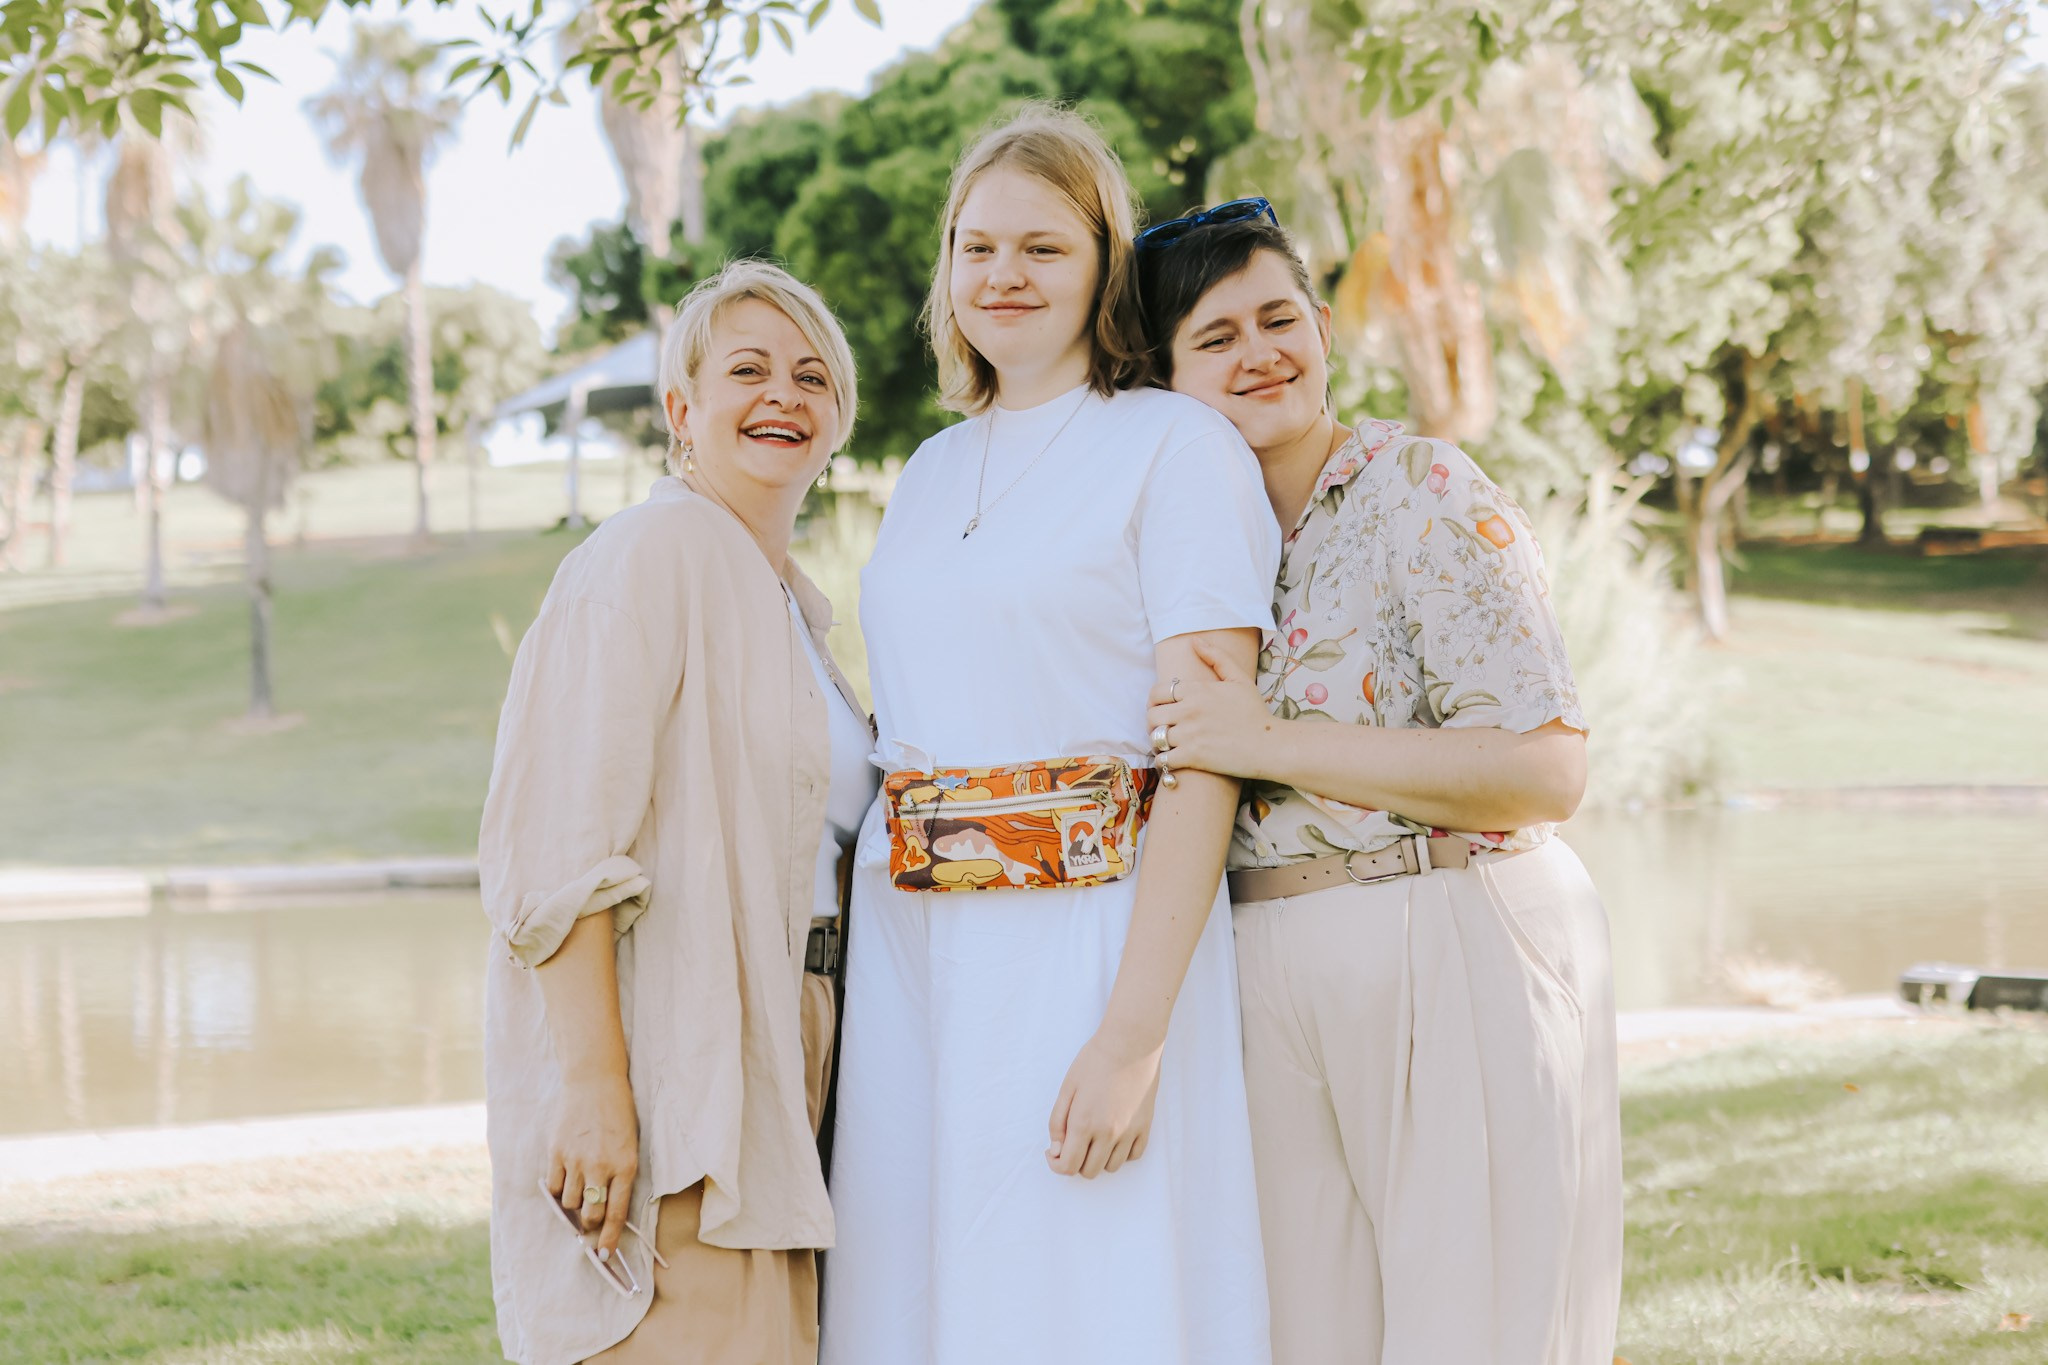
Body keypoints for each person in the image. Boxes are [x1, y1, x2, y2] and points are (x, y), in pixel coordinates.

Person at [820, 108, 1277, 1365]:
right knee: (924, 1303)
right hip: (917, 952)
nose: (1002, 276)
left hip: (1093, 944)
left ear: (1102, 264)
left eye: (1041, 248)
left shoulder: (1174, 447)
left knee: (1088, 1290)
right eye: (975, 248)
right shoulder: (926, 471)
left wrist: (1131, 1038)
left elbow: (1206, 754)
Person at [1135, 204, 1622, 1365]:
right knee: (1298, 1337)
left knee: (1476, 1327)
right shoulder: (1173, 543)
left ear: (1320, 326)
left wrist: (1266, 739)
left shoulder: (1422, 489)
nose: (1260, 354)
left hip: (1448, 926)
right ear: (1159, 379)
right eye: (1214, 337)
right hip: (1254, 971)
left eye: (1278, 319)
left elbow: (1544, 769)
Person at [478, 260, 873, 1365]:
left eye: (811, 376)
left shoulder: (791, 607)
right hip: (679, 1059)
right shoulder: (645, 559)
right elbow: (557, 851)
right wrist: (596, 1089)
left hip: (798, 1038)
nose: (783, 394)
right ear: (679, 409)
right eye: (747, 370)